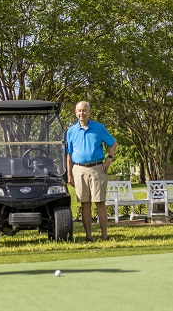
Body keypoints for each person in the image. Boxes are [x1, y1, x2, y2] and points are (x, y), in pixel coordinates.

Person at [66, 101, 117, 242]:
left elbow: (113, 143)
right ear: (76, 113)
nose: (82, 113)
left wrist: (109, 159)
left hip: (97, 168)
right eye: (79, 110)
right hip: (79, 169)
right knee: (85, 204)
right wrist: (69, 174)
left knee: (100, 203)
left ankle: (105, 236)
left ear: (89, 112)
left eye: (84, 110)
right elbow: (69, 154)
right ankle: (88, 237)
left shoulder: (98, 128)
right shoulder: (71, 131)